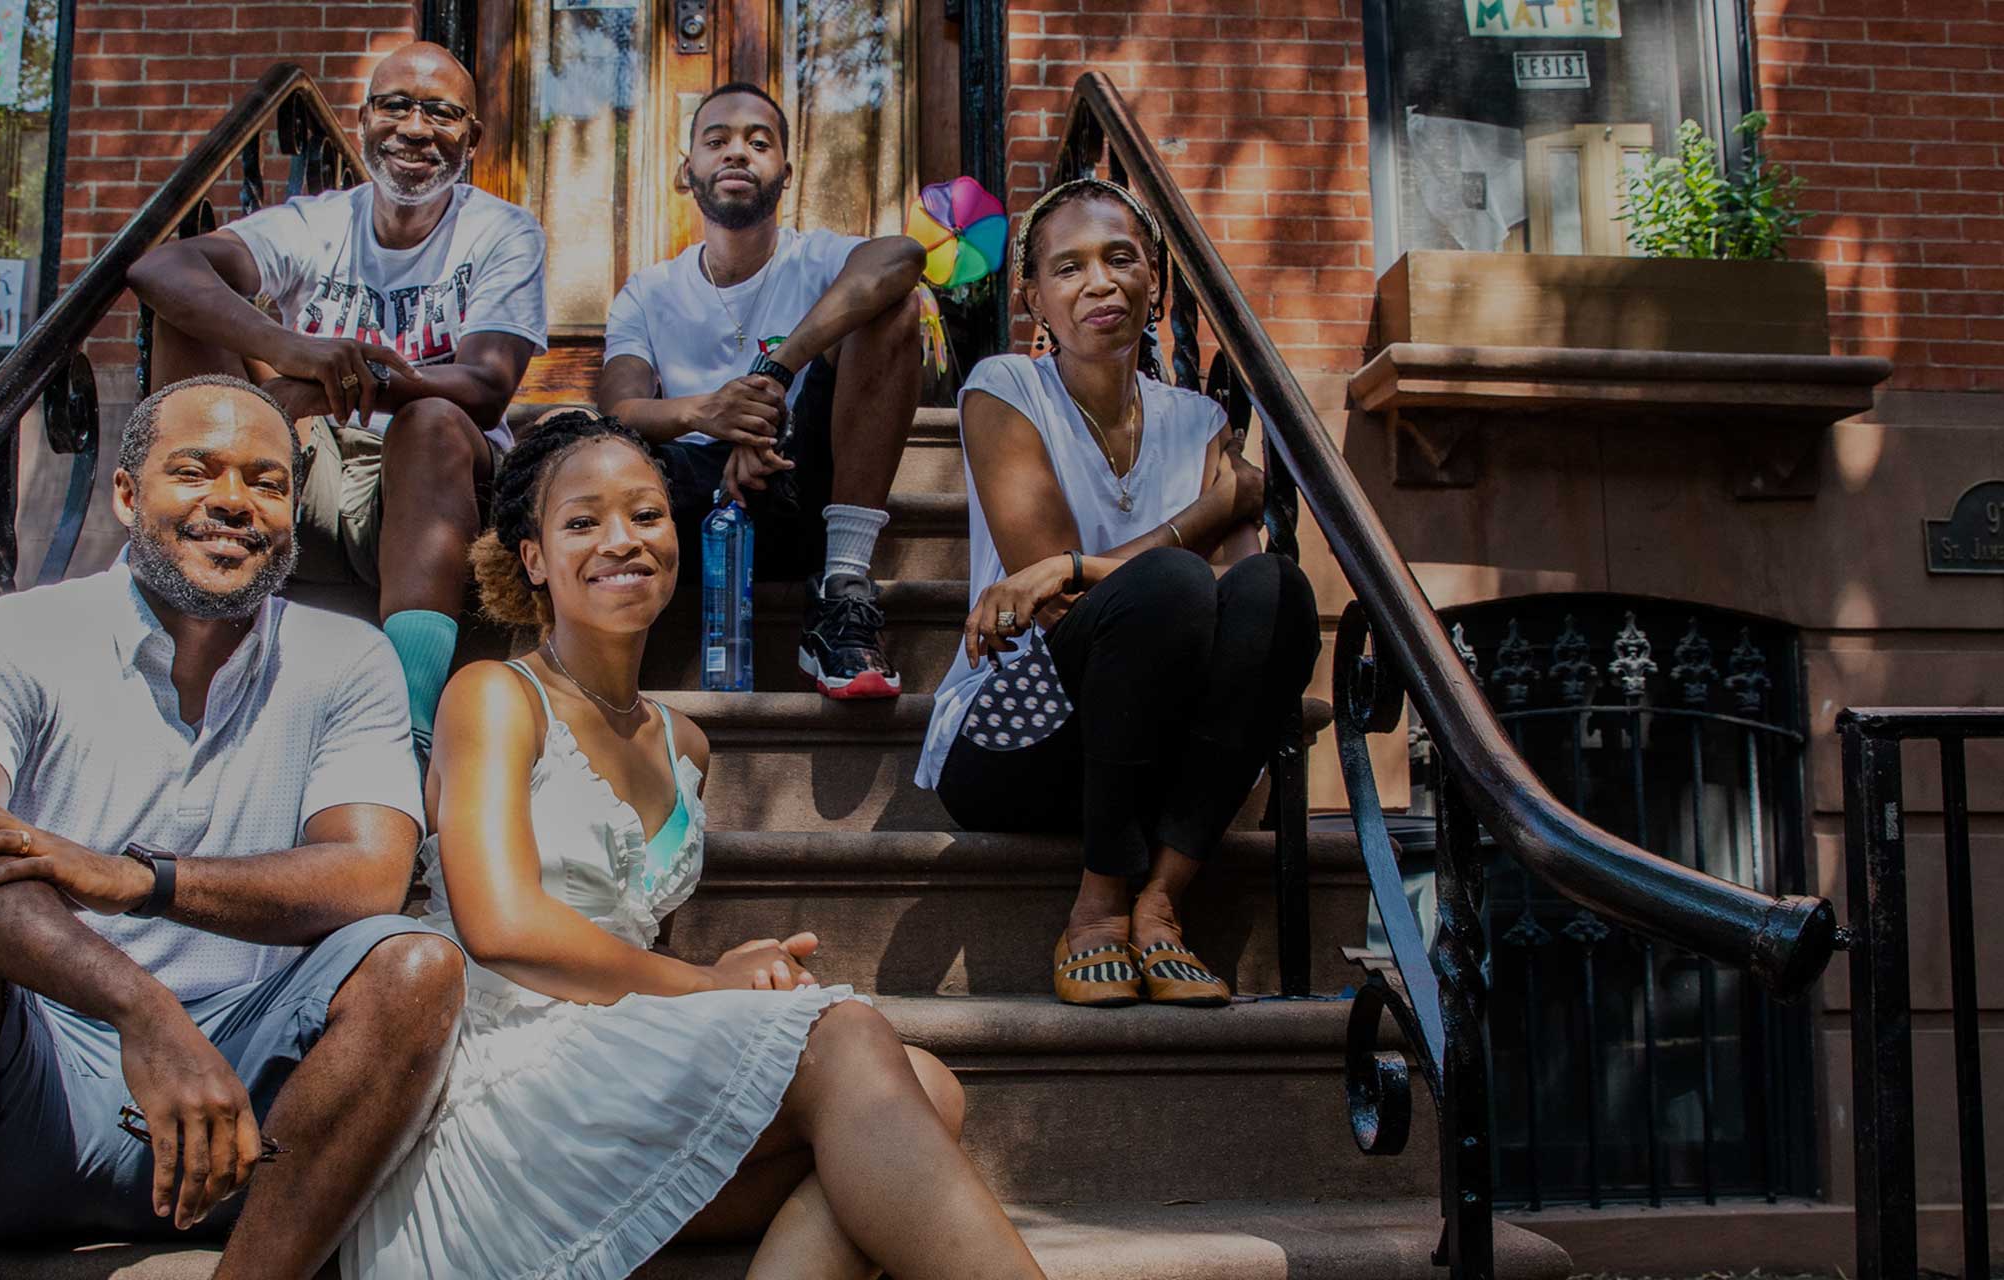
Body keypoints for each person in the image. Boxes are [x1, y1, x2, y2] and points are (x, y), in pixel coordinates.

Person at [343, 413, 1045, 1280]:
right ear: (534, 560)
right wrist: (713, 987)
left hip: (614, 1068)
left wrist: (734, 979)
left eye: (646, 515)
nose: (621, 540)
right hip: (510, 1088)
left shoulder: (686, 745)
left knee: (925, 1086)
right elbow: (502, 926)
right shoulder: (493, 697)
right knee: (852, 1040)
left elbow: (633, 945)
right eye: (582, 522)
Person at [0, 375, 468, 1280]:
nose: (234, 503)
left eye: (269, 482)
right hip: (31, 1086)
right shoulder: (5, 638)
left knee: (416, 964)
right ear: (127, 495)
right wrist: (142, 1009)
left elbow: (365, 874)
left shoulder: (346, 657)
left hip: (259, 1108)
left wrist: (139, 879)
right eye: (195, 472)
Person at [912, 180, 1319, 1009]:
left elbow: (1238, 597)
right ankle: (1099, 903)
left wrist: (1074, 565)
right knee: (1166, 584)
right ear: (1035, 300)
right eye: (1069, 268)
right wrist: (1207, 511)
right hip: (1020, 734)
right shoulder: (1003, 391)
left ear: (1155, 284)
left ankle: (1161, 902)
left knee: (1279, 587)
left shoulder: (1199, 418)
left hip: (1154, 747)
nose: (1099, 283)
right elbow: (1053, 602)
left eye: (1121, 258)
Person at [128, 41, 545, 753]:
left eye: (441, 113)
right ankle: (185, 605)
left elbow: (483, 388)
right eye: (396, 106)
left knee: (433, 420)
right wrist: (290, 350)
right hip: (304, 474)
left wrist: (315, 386)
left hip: (437, 490)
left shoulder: (501, 231)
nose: (415, 127)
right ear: (363, 121)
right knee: (183, 316)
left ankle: (406, 727)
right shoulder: (314, 222)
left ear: (471, 139)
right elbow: (162, 267)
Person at [596, 82, 927, 699]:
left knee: (893, 309)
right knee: (604, 456)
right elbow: (618, 409)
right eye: (716, 141)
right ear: (685, 171)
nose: (737, 154)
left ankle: (843, 591)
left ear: (787, 172)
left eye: (758, 142)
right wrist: (715, 414)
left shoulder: (818, 257)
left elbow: (903, 255)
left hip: (801, 487)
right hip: (690, 502)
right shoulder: (649, 291)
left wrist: (773, 381)